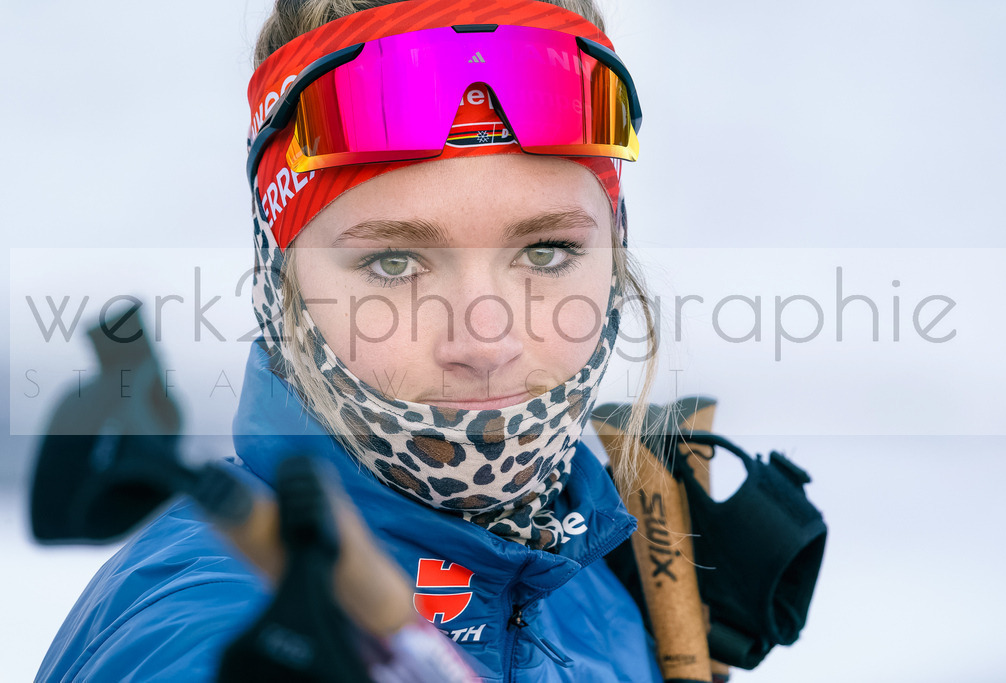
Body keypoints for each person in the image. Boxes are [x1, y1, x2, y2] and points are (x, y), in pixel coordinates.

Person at [38, 0, 672, 680]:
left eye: (546, 252)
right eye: (393, 263)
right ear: (280, 287)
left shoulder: (595, 578)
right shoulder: (217, 632)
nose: (487, 342)